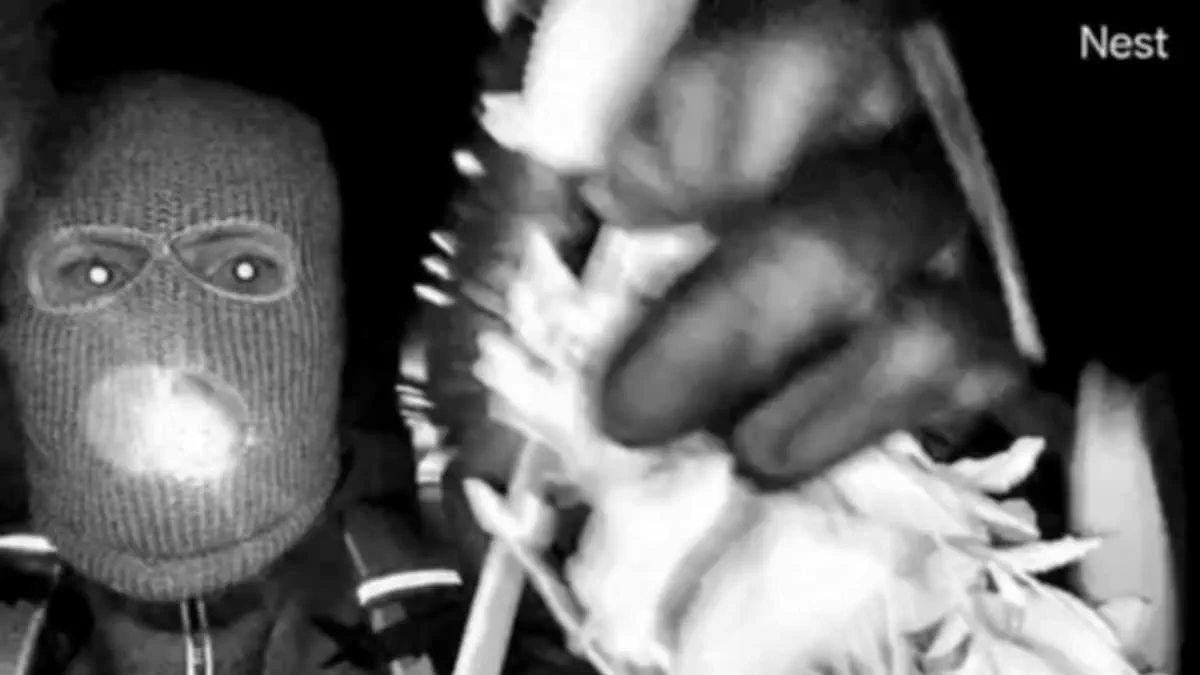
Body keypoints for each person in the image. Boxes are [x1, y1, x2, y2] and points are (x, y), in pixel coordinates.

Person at [0, 72, 462, 675]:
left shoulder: (458, 608)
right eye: (95, 273)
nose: (168, 336)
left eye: (244, 269)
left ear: (323, 318)